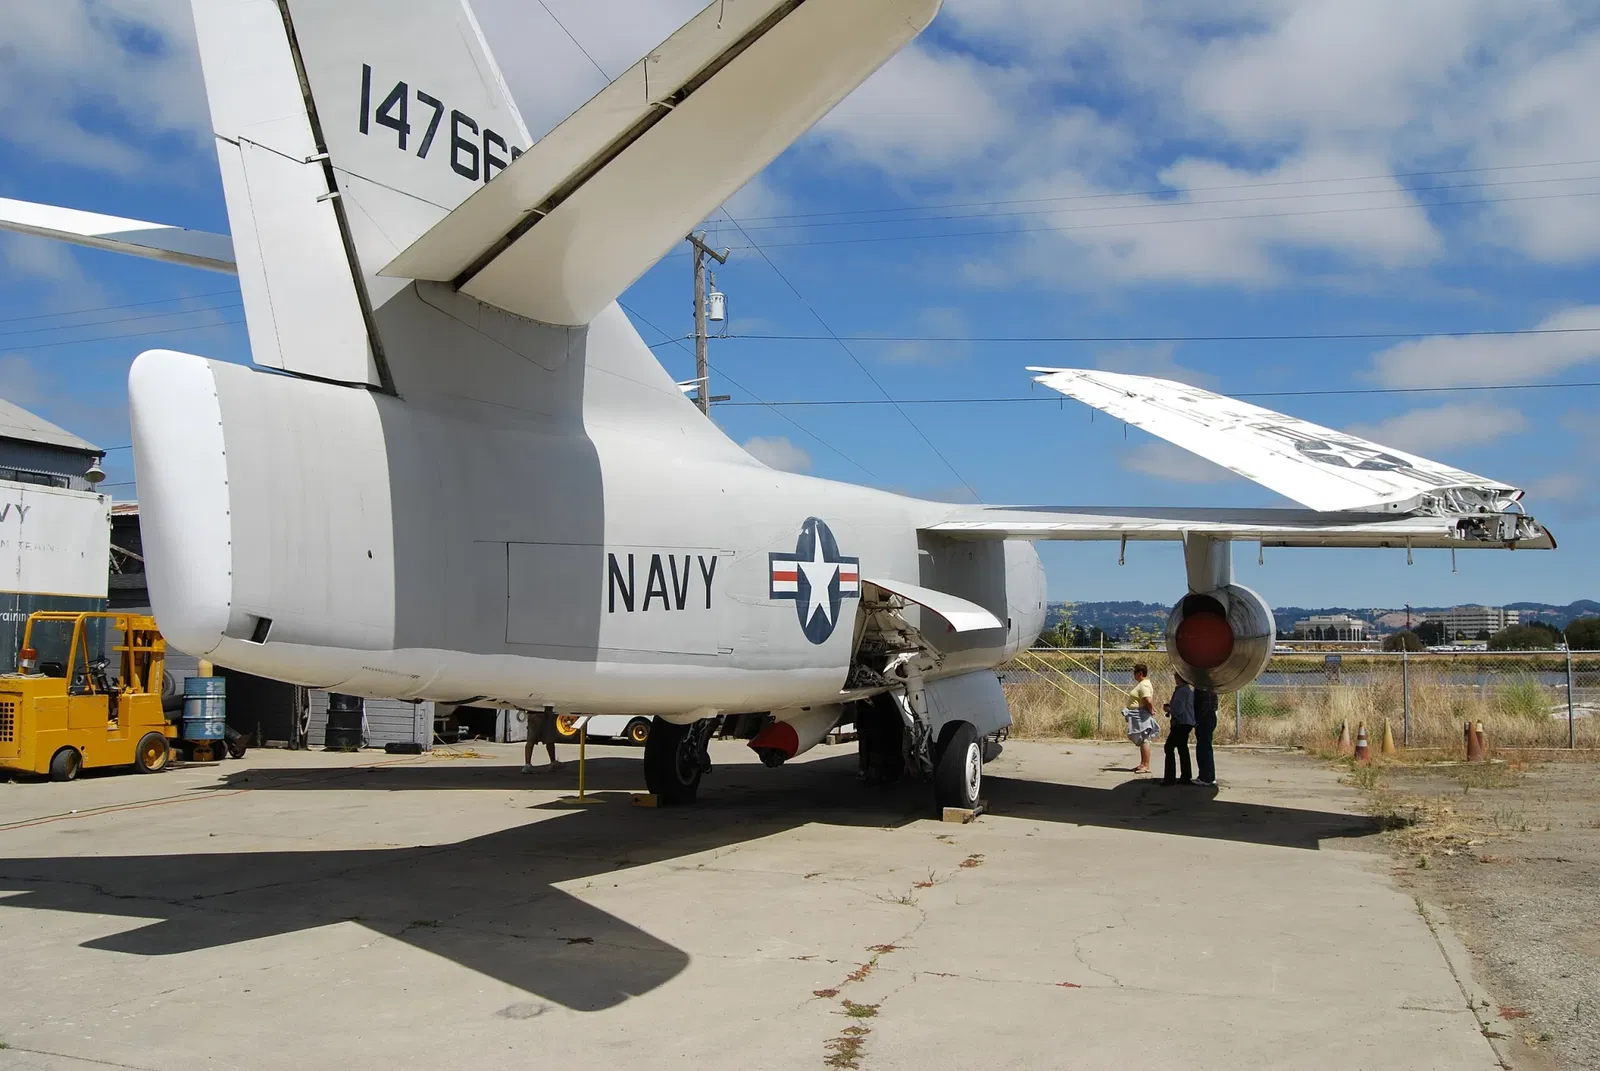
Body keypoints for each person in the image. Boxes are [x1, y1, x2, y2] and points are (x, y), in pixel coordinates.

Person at [1162, 674, 1195, 785]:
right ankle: (1186, 776)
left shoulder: (1181, 691)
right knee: (1182, 748)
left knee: (1169, 747)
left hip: (1181, 722)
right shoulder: (1187, 690)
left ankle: (1169, 778)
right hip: (1187, 722)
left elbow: (1179, 709)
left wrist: (1170, 709)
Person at [1127, 663, 1156, 773]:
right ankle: (1142, 763)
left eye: (1135, 673)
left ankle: (1146, 765)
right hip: (1136, 714)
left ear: (1140, 673)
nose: (1134, 675)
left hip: (1141, 714)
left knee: (1144, 739)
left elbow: (1147, 699)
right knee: (1140, 738)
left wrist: (1151, 709)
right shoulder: (1142, 684)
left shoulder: (1144, 685)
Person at [521, 707, 564, 773]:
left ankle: (527, 764)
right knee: (547, 738)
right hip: (544, 712)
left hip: (536, 712)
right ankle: (552, 762)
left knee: (532, 739)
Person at [1194, 687, 1218, 787]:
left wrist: (1197, 720)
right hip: (1210, 717)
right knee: (1207, 747)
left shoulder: (1203, 689)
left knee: (1203, 747)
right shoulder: (1211, 688)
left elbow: (1203, 707)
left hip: (1205, 718)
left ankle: (1205, 777)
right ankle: (1209, 776)